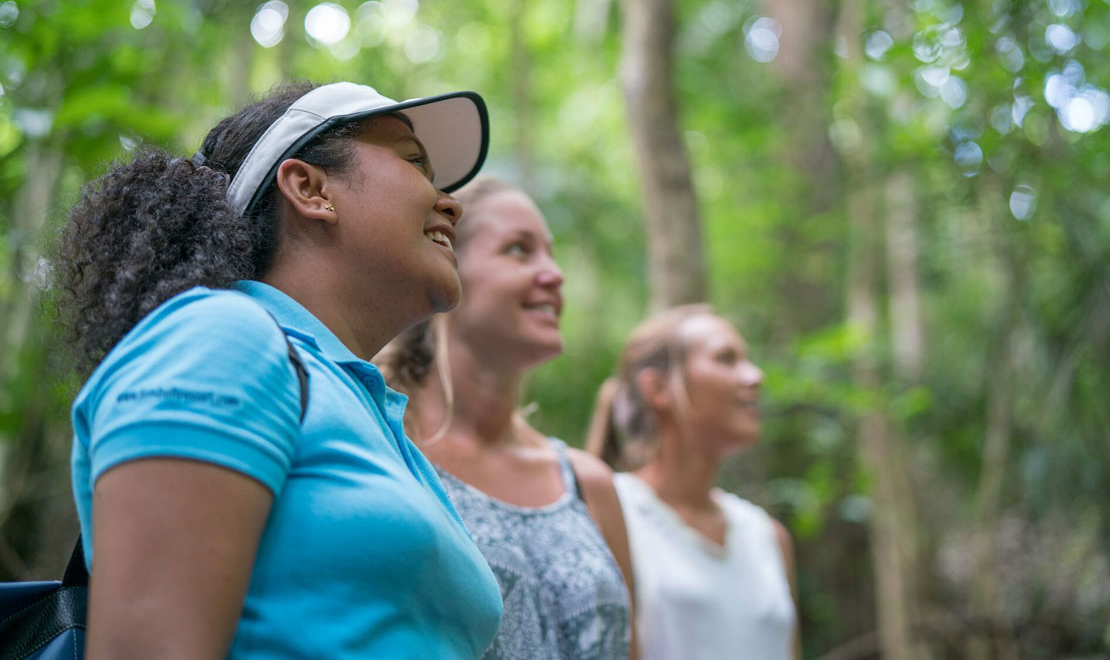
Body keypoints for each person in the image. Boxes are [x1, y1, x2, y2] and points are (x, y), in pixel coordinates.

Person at [57, 81, 503, 659]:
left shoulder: (372, 413)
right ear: (310, 189)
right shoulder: (220, 340)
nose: (451, 202)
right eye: (414, 162)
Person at [374, 176, 637, 660]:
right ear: (448, 264)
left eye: (551, 254)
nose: (553, 274)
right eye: (519, 250)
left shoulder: (587, 483)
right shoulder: (383, 445)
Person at [586, 305, 800, 660]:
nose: (755, 376)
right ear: (657, 389)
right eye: (726, 359)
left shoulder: (768, 536)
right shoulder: (614, 511)